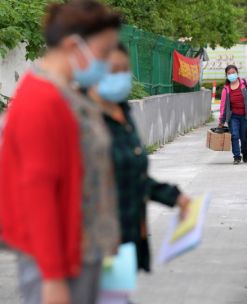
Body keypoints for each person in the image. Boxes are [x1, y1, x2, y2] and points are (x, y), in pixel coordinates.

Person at [0, 1, 121, 303]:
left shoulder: (65, 91)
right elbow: (37, 191)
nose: (107, 62)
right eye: (104, 52)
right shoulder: (40, 99)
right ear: (72, 45)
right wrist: (52, 277)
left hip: (83, 251)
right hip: (60, 262)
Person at [88, 44, 192, 303]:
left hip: (126, 236)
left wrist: (174, 197)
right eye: (112, 69)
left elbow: (132, 177)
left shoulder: (122, 114)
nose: (119, 75)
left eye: (124, 69)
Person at [218, 65, 247, 165]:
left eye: (233, 72)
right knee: (234, 136)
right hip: (233, 116)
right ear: (226, 75)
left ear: (237, 73)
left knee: (244, 137)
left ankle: (244, 152)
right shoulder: (226, 89)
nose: (231, 75)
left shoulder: (245, 84)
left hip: (245, 116)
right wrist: (221, 120)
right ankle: (237, 156)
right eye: (229, 73)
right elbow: (223, 105)